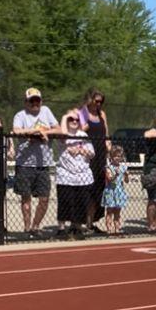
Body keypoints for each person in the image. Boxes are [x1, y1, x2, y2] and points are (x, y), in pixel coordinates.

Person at [12, 87, 61, 237]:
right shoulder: (20, 115)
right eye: (31, 100)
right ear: (26, 102)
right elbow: (16, 130)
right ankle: (27, 228)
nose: (35, 103)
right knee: (25, 198)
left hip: (44, 163)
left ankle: (36, 226)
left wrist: (45, 132)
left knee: (44, 198)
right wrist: (34, 132)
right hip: (25, 164)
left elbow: (58, 129)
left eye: (37, 100)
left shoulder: (46, 111)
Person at [54, 109, 94, 240]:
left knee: (81, 202)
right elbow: (63, 135)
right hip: (66, 175)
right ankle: (61, 229)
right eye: (71, 119)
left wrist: (83, 151)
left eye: (77, 119)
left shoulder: (83, 134)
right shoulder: (62, 133)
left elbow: (92, 152)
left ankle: (76, 227)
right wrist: (66, 116)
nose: (74, 121)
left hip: (82, 176)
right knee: (66, 201)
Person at [79, 88, 110, 233]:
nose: (98, 104)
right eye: (96, 101)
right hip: (87, 156)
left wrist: (109, 145)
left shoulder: (102, 114)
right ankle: (81, 222)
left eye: (101, 101)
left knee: (98, 190)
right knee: (86, 190)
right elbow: (76, 132)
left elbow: (106, 134)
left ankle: (90, 222)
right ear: (90, 99)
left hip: (101, 156)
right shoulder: (82, 113)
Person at [102, 145, 129, 235]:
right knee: (109, 211)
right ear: (111, 157)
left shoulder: (123, 167)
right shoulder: (108, 167)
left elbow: (126, 181)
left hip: (119, 190)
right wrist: (116, 175)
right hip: (110, 191)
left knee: (117, 212)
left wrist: (126, 175)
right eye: (115, 156)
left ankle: (117, 228)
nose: (117, 158)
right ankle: (109, 229)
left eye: (119, 156)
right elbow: (109, 179)